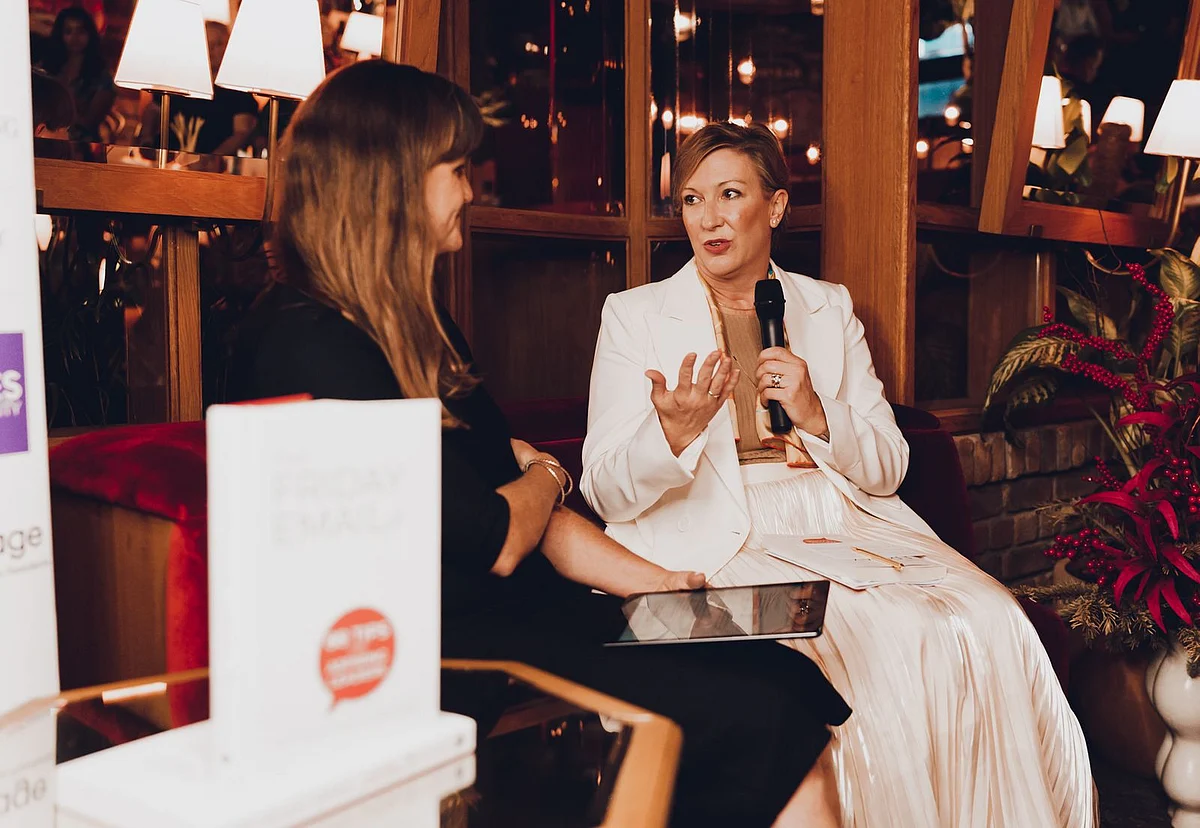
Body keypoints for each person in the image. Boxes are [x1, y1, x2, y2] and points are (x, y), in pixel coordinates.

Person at [228, 60, 850, 828]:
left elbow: (534, 520)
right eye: (456, 170)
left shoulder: (418, 327)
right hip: (432, 647)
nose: (470, 191)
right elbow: (499, 535)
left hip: (531, 606)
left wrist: (661, 585)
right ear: (391, 183)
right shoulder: (308, 341)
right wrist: (547, 475)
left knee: (784, 677)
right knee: (758, 713)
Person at [581, 122, 1098, 827]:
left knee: (988, 615)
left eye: (729, 194)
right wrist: (669, 433)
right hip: (719, 535)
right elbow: (602, 488)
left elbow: (888, 466)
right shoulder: (633, 315)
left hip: (842, 522)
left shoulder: (829, 306)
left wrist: (816, 412)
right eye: (692, 199)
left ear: (775, 206)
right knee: (853, 641)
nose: (708, 218)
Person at [142, 21, 259, 156]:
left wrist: (210, 159)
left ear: (227, 48)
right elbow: (153, 109)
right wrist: (147, 139)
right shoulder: (178, 80)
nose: (210, 50)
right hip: (167, 160)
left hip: (212, 163)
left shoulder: (238, 91)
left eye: (216, 44)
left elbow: (242, 132)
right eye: (205, 44)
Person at [37, 7, 115, 142]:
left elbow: (90, 121)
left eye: (81, 31)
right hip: (45, 138)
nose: (75, 37)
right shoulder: (46, 69)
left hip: (82, 142)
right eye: (68, 31)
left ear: (90, 34)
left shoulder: (102, 77)